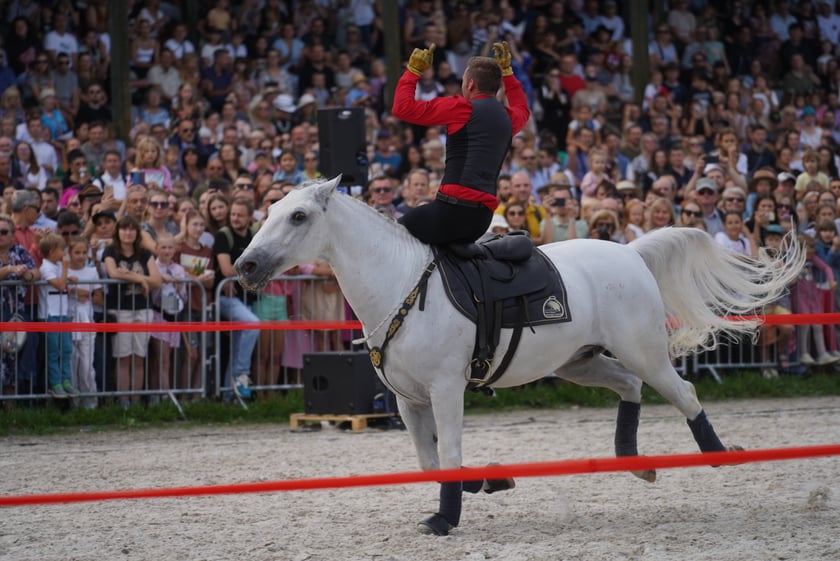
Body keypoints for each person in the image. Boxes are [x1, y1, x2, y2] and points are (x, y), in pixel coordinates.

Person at [392, 42, 530, 245]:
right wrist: (508, 73)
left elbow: (402, 108)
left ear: (471, 84)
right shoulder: (508, 118)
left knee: (392, 233)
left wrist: (413, 71)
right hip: (482, 218)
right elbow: (523, 108)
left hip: (452, 210)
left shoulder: (462, 108)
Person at [102, 215, 162, 407]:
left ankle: (135, 400)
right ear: (118, 231)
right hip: (121, 310)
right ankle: (123, 400)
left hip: (142, 310)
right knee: (123, 357)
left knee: (139, 357)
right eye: (124, 229)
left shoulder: (145, 254)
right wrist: (140, 279)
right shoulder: (110, 251)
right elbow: (112, 272)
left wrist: (130, 275)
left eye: (132, 229)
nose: (128, 233)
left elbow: (157, 280)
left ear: (137, 233)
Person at [214, 197, 259, 399]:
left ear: (249, 218)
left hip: (245, 297)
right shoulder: (223, 235)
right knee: (253, 324)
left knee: (237, 347)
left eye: (240, 215)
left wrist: (240, 273)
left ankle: (227, 399)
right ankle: (243, 374)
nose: (235, 218)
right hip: (225, 297)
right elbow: (225, 269)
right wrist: (249, 270)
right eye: (233, 214)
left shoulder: (253, 235)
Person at [38, 233, 79, 398]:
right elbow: (60, 285)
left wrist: (69, 275)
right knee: (54, 351)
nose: (64, 252)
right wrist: (67, 269)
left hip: (62, 313)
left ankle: (66, 380)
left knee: (66, 349)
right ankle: (55, 383)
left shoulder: (57, 266)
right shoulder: (45, 267)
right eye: (62, 249)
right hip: (50, 315)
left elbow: (63, 279)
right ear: (52, 251)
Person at [66, 235, 100, 408]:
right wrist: (73, 291)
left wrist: (84, 293)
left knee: (86, 364)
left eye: (83, 252)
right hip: (69, 318)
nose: (80, 256)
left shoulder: (92, 271)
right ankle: (74, 403)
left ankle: (90, 403)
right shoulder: (64, 270)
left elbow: (99, 297)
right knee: (72, 362)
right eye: (76, 252)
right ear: (70, 253)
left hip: (87, 319)